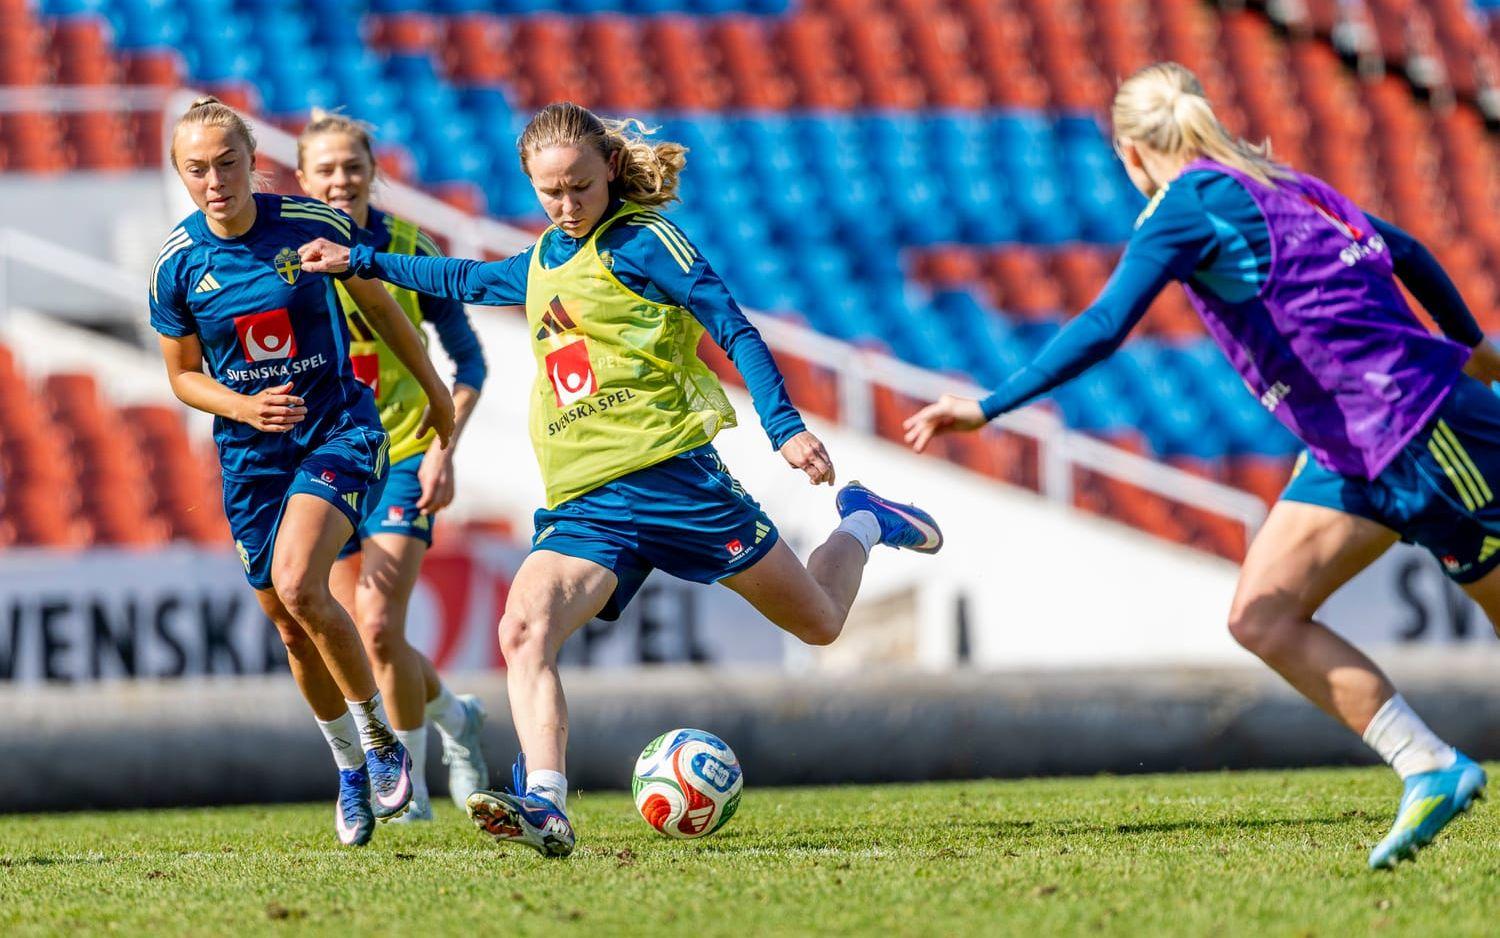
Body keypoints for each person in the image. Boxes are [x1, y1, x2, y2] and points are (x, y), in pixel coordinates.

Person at [299, 101, 944, 858]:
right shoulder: (542, 260)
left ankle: (863, 519)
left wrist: (786, 429)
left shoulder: (642, 241)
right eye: (550, 192)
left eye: (578, 187)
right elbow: (465, 276)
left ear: (609, 166)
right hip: (583, 504)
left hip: (675, 482)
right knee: (523, 629)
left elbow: (732, 326)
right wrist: (362, 260)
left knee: (821, 622)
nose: (566, 205)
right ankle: (546, 803)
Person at [904, 62, 1495, 870]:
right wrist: (1472, 343)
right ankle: (1428, 765)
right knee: (1260, 612)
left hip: (1421, 426)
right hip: (1353, 449)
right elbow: (1408, 251)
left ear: (1131, 151)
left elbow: (1109, 322)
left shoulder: (1180, 206)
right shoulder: (1287, 182)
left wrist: (988, 405)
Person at [151, 97, 456, 846]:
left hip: (339, 429)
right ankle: (351, 770)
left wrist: (435, 389)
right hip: (251, 458)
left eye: (228, 163)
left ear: (255, 160)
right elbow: (183, 376)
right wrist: (243, 408)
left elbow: (382, 310)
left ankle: (383, 742)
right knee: (289, 628)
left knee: (299, 583)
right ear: (180, 175)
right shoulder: (177, 265)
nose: (216, 180)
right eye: (198, 169)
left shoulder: (312, 225)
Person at [296, 110, 491, 822]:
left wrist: (445, 447)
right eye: (326, 170)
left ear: (374, 172)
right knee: (360, 632)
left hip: (404, 453)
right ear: (303, 180)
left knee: (378, 626)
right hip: (326, 460)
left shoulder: (410, 245)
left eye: (353, 167)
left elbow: (469, 360)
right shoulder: (284, 251)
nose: (341, 180)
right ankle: (457, 719)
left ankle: (406, 793)